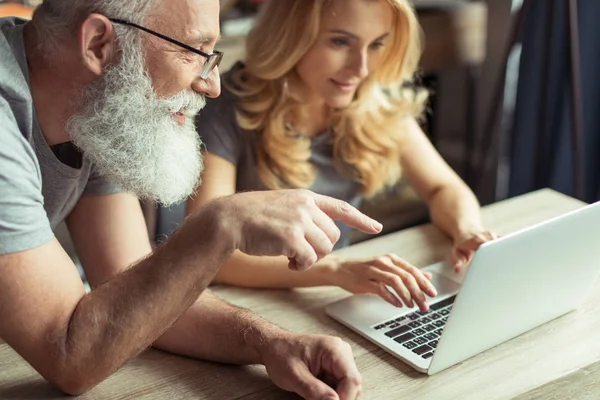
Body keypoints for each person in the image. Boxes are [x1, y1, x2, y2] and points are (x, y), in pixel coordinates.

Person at [0, 1, 419, 399]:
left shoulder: (94, 110)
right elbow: (72, 355)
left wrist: (273, 344)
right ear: (98, 45)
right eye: (194, 51)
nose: (211, 84)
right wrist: (220, 224)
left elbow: (135, 298)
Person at [187, 0, 497, 310]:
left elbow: (443, 187)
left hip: (328, 296)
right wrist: (336, 270)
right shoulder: (226, 108)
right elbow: (212, 253)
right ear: (291, 35)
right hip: (248, 302)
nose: (360, 68)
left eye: (376, 45)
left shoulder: (372, 98)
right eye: (340, 42)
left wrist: (467, 230)